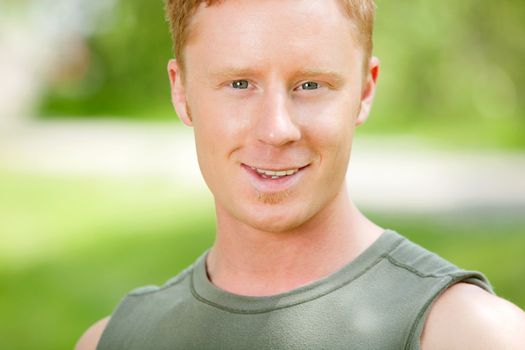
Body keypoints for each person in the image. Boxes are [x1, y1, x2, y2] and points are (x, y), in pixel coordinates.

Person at [76, 0, 525, 349]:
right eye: (239, 84)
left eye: (310, 85)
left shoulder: (468, 333)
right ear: (181, 91)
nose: (276, 129)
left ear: (365, 90)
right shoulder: (113, 340)